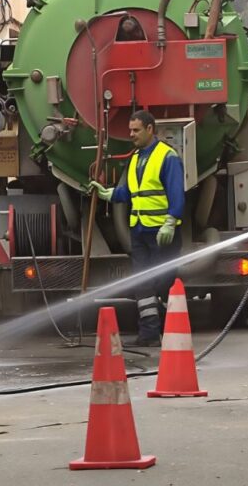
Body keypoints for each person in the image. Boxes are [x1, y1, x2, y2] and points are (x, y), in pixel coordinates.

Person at [89, 110, 185, 347]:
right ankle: (149, 334)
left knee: (162, 281)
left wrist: (171, 222)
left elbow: (177, 194)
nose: (131, 134)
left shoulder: (167, 157)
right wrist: (108, 193)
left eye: (136, 130)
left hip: (162, 233)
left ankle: (166, 324)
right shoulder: (135, 158)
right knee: (143, 282)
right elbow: (131, 192)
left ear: (150, 129)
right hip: (140, 231)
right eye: (130, 130)